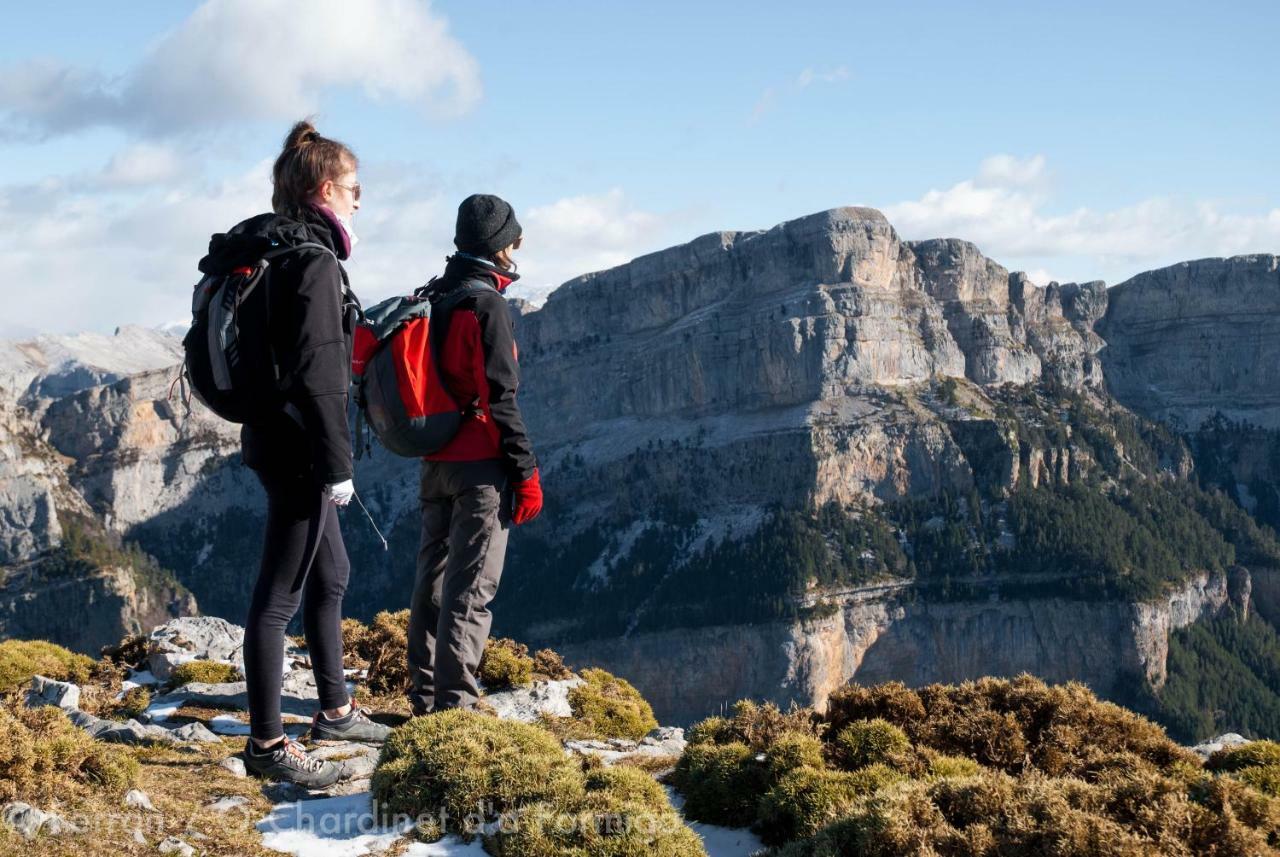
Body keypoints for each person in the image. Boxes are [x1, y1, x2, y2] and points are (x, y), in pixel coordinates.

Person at [208, 120, 390, 787]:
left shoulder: (281, 253)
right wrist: (338, 465)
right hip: (299, 450)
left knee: (331, 570)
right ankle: (266, 744)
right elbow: (321, 375)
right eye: (353, 188)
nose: (359, 201)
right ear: (324, 189)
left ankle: (336, 708)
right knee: (277, 596)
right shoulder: (313, 261)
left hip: (274, 434)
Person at [406, 194, 544, 716]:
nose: (519, 246)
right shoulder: (486, 304)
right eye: (515, 238)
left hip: (434, 461)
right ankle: (456, 706)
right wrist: (525, 473)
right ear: (499, 246)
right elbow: (500, 397)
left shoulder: (439, 294)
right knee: (472, 590)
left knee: (432, 580)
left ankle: (424, 694)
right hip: (480, 470)